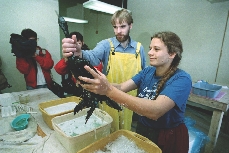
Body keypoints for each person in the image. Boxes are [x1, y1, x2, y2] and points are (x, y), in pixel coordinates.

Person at [78, 31, 192, 153]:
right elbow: (122, 87)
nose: (149, 52)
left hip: (168, 136)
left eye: (156, 49)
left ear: (172, 54)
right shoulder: (147, 72)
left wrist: (108, 90)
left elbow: (155, 111)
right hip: (143, 130)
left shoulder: (182, 79)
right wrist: (96, 85)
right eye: (150, 48)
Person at [61, 9, 147, 132]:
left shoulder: (139, 49)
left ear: (130, 26)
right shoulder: (106, 45)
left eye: (122, 26)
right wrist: (79, 52)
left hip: (130, 97)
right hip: (109, 94)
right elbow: (92, 56)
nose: (118, 31)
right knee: (109, 128)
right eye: (115, 27)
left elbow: (143, 74)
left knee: (126, 128)